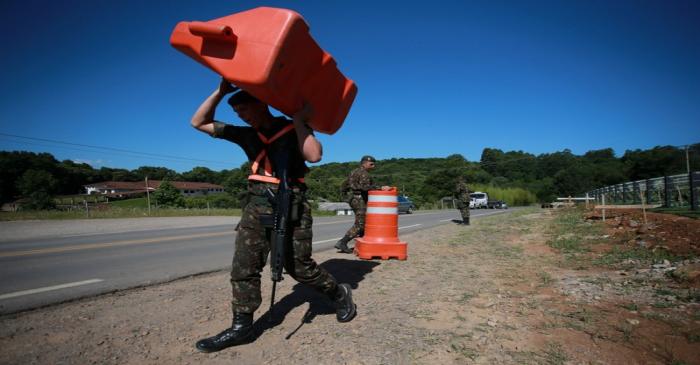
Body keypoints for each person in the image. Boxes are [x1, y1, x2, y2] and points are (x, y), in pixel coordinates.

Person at [190, 79, 356, 353]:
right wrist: (221, 92)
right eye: (237, 113)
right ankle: (242, 328)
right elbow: (198, 122)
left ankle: (339, 293)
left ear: (261, 105)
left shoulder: (291, 126)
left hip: (291, 204)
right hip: (256, 205)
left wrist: (300, 121)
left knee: (298, 267)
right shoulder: (245, 134)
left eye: (244, 110)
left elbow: (314, 155)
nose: (241, 116)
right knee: (245, 267)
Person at [335, 155, 389, 253]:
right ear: (364, 163)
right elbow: (365, 188)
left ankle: (363, 243)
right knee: (361, 223)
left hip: (354, 198)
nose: (373, 166)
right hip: (360, 200)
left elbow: (343, 185)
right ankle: (343, 242)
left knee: (365, 222)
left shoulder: (353, 171)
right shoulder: (364, 174)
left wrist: (346, 198)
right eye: (371, 164)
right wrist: (380, 188)